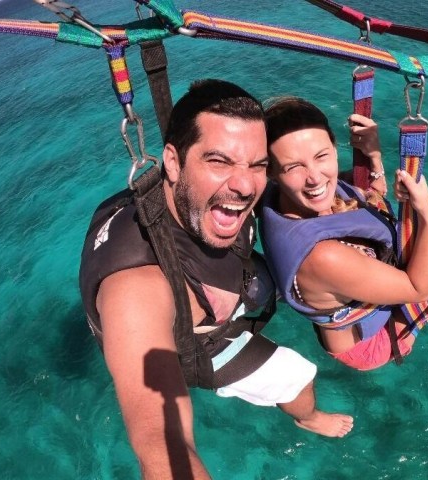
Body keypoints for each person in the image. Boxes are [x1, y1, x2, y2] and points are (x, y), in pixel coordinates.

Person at [79, 81, 353, 480]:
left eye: (257, 165)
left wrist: (368, 162)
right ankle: (308, 418)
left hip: (223, 277)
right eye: (219, 161)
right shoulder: (135, 289)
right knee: (297, 377)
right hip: (202, 343)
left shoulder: (202, 194)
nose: (245, 185)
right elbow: (160, 441)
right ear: (172, 162)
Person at [258, 97, 428, 372]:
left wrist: (373, 155)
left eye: (322, 156)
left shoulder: (287, 198)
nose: (315, 178)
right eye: (294, 167)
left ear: (334, 146)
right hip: (367, 342)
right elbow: (419, 289)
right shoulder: (321, 257)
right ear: (270, 171)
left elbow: (368, 195)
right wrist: (425, 212)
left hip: (358, 284)